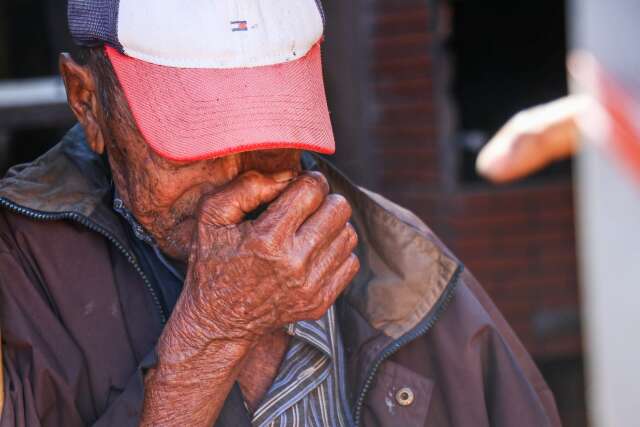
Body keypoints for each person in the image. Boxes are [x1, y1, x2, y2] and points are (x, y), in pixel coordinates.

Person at [0, 1, 561, 426]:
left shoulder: (401, 262)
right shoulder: (18, 274)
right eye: (191, 141)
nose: (233, 181)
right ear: (88, 101)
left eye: (267, 132)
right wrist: (211, 338)